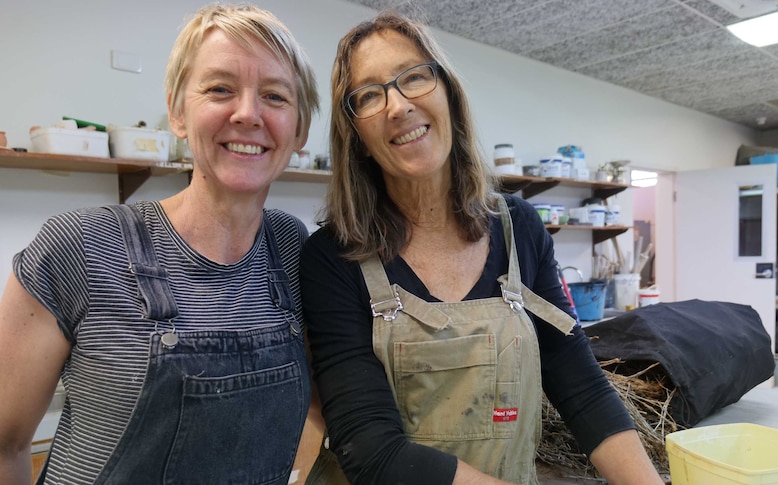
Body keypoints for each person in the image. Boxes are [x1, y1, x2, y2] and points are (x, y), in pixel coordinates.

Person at [299, 11, 665, 485]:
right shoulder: (333, 258)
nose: (397, 105)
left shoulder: (520, 229)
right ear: (359, 140)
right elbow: (371, 451)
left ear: (448, 93)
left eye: (413, 77)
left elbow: (582, 387)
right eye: (369, 95)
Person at [0, 4, 320, 484]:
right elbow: (5, 443)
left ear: (300, 130)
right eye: (219, 89)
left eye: (275, 96)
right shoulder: (81, 245)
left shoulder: (292, 247)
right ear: (176, 112)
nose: (248, 113)